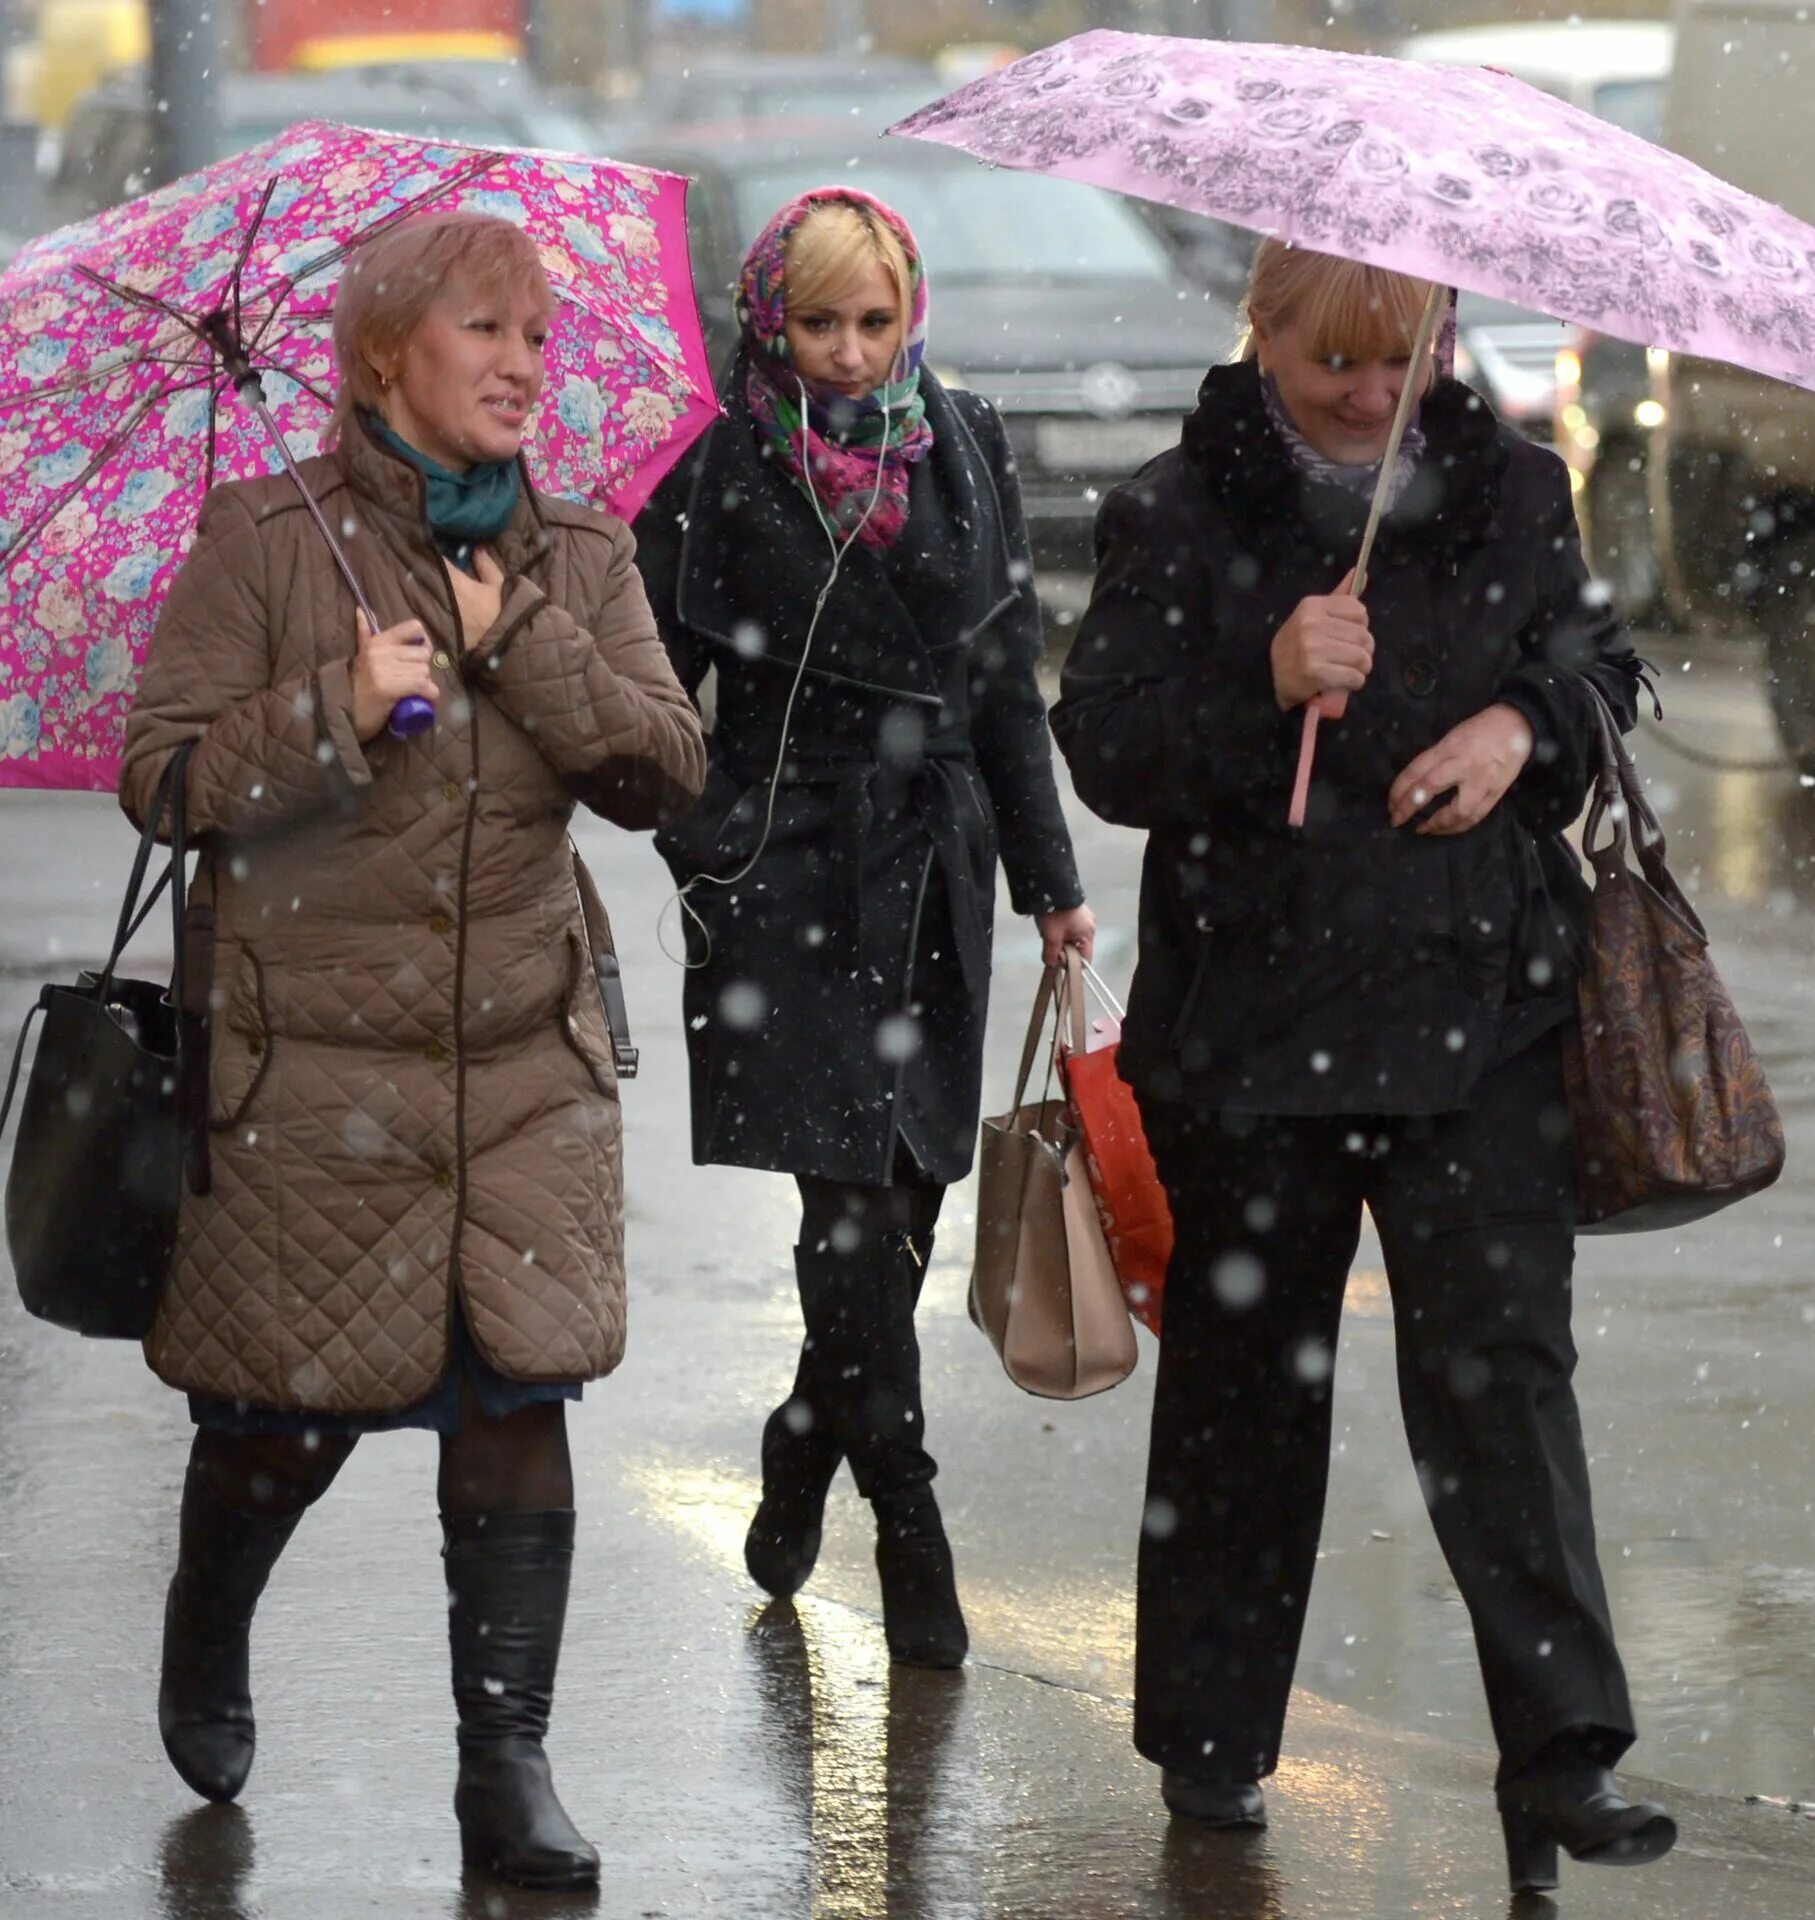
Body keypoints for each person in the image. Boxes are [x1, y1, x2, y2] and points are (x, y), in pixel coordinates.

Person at [1050, 240, 1674, 1896]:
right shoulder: (1176, 509)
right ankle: (1210, 1738)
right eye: (1338, 360)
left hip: (1484, 1020)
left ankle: (1564, 1759)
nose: (1374, 392)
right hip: (1250, 1035)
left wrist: (1522, 729)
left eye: (1406, 357)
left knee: (1503, 1385)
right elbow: (1106, 746)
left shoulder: (1522, 488)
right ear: (1265, 334)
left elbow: (1611, 670)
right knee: (1249, 1398)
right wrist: (1261, 687)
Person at [117, 211, 706, 1891]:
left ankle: (504, 1767)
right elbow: (161, 781)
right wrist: (331, 711)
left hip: (524, 1072)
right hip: (310, 1081)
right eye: (485, 331)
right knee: (281, 1427)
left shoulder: (581, 553)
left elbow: (666, 771)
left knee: (519, 1409)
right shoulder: (264, 543)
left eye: (538, 335)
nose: (525, 364)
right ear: (387, 356)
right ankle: (209, 1614)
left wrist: (518, 637)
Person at [634, 187, 1093, 1669]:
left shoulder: (963, 445)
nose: (845, 351)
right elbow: (638, 683)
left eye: (872, 320)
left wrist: (1053, 879)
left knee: (905, 1206)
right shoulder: (714, 471)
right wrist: (697, 824)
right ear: (772, 323)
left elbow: (1007, 675)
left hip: (937, 868)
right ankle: (907, 1510)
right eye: (818, 323)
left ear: (910, 315)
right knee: (842, 1205)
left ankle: (805, 1432)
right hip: (791, 875)